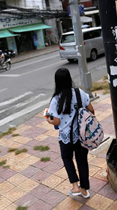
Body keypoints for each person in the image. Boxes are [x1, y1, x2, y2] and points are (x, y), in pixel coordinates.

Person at [46, 68, 94, 199]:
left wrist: (48, 119)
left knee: (67, 158)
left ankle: (75, 186)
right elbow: (91, 110)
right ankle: (84, 190)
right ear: (69, 79)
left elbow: (56, 121)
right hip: (81, 135)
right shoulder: (80, 93)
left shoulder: (56, 99)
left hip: (66, 137)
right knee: (82, 160)